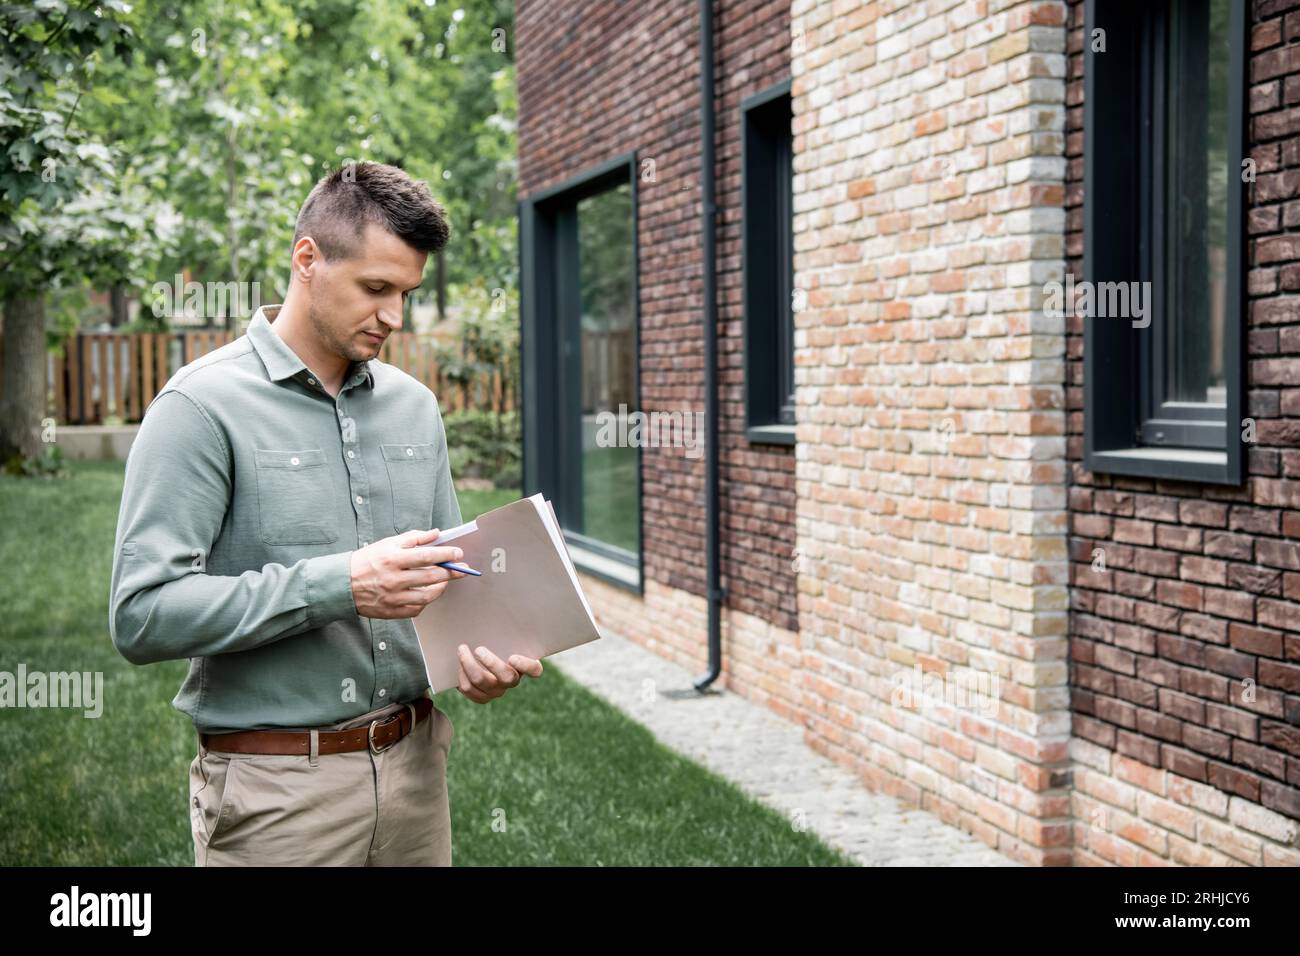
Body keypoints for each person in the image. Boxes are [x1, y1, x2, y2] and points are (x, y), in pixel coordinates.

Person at [108, 160, 542, 866]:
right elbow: (142, 615)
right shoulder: (199, 408)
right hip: (276, 795)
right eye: (376, 288)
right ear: (307, 259)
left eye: (406, 293)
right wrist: (338, 585)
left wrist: (477, 663)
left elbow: (443, 588)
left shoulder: (415, 407)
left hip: (416, 782)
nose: (394, 317)